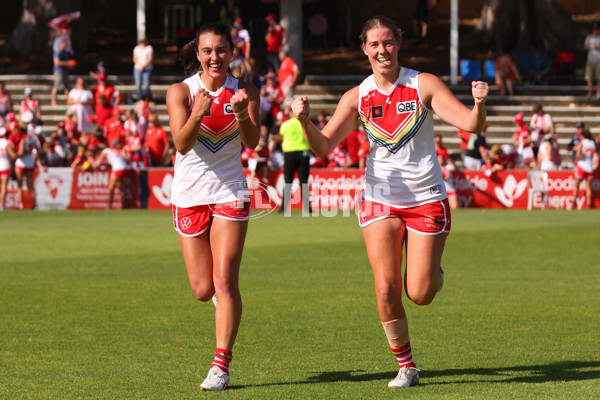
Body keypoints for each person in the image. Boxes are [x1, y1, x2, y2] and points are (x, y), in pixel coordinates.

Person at [291, 16, 488, 389]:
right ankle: (407, 366)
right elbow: (324, 145)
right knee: (385, 288)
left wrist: (478, 104)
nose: (383, 51)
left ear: (398, 44)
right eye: (375, 44)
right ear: (364, 48)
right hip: (379, 198)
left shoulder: (423, 84)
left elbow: (471, 125)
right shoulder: (357, 96)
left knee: (420, 293)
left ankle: (431, 273)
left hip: (426, 197)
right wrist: (304, 123)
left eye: (389, 43)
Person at [165, 21, 260, 391]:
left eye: (221, 50)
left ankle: (221, 364)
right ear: (198, 53)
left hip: (231, 192)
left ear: (232, 52)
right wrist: (198, 112)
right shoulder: (181, 91)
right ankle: (222, 308)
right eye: (207, 50)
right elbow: (181, 143)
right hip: (189, 196)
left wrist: (239, 112)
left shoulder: (245, 90)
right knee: (204, 289)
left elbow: (251, 141)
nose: (215, 57)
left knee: (225, 279)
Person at [277, 104, 311, 213]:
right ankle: (307, 208)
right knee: (304, 181)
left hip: (290, 154)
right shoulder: (304, 124)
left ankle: (283, 208)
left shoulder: (285, 125)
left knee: (288, 181)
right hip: (304, 153)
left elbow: (281, 136)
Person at [93, 139, 131, 209]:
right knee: (122, 189)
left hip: (117, 169)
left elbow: (98, 163)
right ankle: (122, 206)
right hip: (126, 169)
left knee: (111, 188)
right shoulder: (116, 151)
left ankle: (110, 205)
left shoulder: (105, 151)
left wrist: (91, 167)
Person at [571, 128, 598, 210]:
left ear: (583, 136)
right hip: (590, 166)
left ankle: (573, 203)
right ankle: (589, 204)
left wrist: (576, 161)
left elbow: (578, 154)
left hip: (582, 165)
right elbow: (595, 155)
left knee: (576, 185)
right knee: (588, 187)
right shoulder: (593, 143)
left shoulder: (582, 143)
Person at [435, 134, 458, 209]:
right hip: (439, 189)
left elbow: (453, 167)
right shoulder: (432, 149)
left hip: (449, 189)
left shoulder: (443, 150)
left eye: (439, 141)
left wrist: (449, 162)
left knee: (455, 207)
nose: (438, 142)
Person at [51, 38, 75, 106]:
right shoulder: (58, 52)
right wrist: (67, 63)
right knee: (56, 86)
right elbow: (57, 62)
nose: (66, 46)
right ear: (61, 44)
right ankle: (53, 101)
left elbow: (67, 64)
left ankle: (69, 101)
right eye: (64, 45)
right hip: (59, 72)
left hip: (65, 71)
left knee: (68, 87)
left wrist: (71, 65)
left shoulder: (65, 53)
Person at [0, 127, 17, 210]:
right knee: (4, 187)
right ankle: (2, 205)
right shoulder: (6, 143)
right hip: (5, 166)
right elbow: (12, 155)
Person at [584, 22, 600, 98]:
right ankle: (590, 92)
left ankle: (598, 93)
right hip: (590, 59)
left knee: (599, 77)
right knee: (589, 77)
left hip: (599, 59)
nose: (595, 30)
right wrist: (591, 47)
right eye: (594, 29)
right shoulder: (589, 37)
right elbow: (585, 47)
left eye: (596, 29)